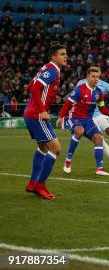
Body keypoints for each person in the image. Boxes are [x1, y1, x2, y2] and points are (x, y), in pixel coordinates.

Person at [63, 68, 109, 172]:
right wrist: (66, 100)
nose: (96, 78)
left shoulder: (103, 84)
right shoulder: (81, 83)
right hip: (86, 117)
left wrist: (108, 101)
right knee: (99, 139)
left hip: (100, 114)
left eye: (97, 76)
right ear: (88, 75)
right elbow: (72, 95)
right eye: (93, 75)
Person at [24, 44, 68, 200]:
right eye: (62, 54)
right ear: (54, 56)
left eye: (66, 54)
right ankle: (39, 186)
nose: (66, 56)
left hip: (29, 113)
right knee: (55, 148)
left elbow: (30, 85)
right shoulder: (52, 70)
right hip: (37, 115)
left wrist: (51, 96)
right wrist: (42, 109)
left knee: (43, 148)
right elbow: (35, 88)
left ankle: (32, 183)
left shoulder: (46, 68)